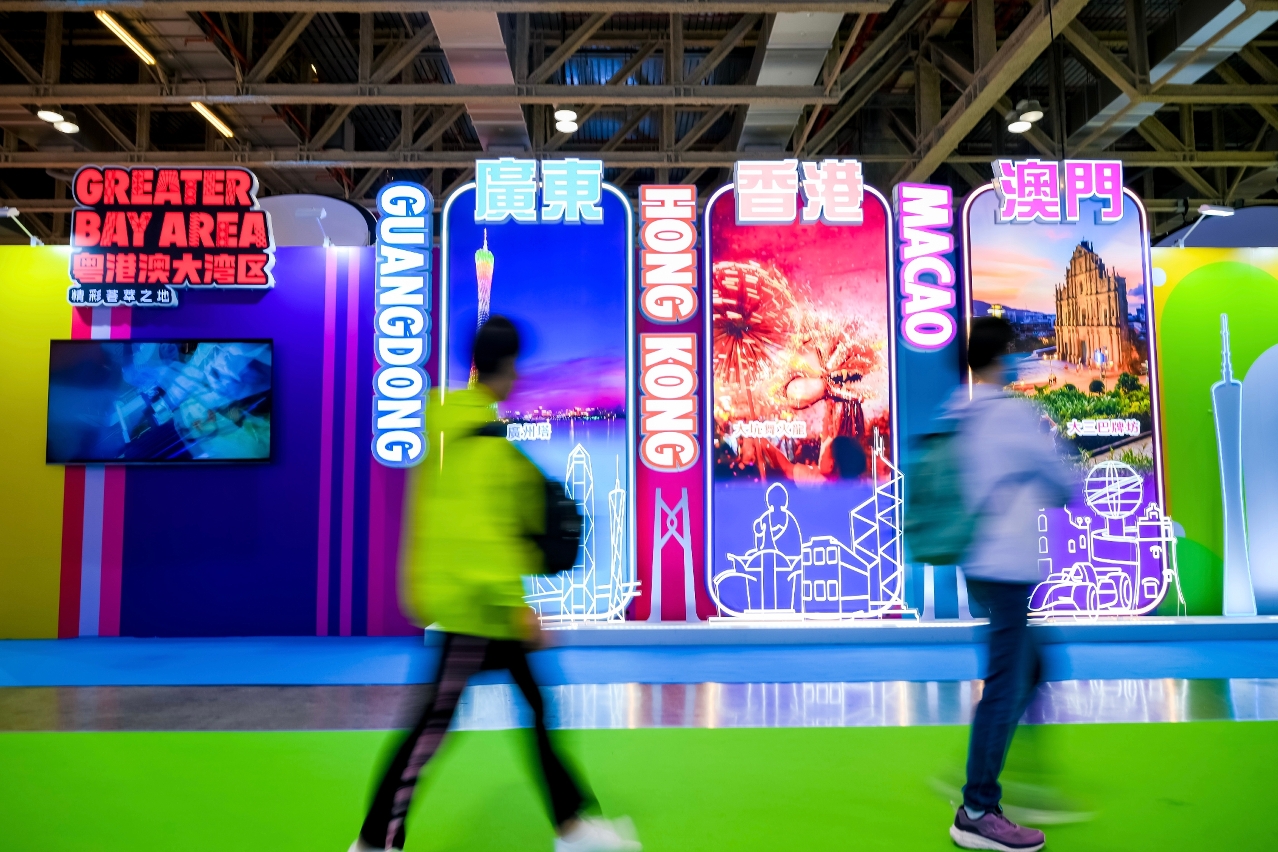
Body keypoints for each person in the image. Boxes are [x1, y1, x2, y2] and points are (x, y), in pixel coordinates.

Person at [351, 316, 640, 852]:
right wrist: (515, 606)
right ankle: (375, 841)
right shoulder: (477, 439)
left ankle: (573, 826)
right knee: (431, 729)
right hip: (475, 612)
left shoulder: (457, 430)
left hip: (477, 605)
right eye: (517, 366)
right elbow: (479, 536)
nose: (520, 377)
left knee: (534, 709)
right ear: (505, 369)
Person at [947, 317, 1073, 852]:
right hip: (1006, 567)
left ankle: (1005, 771)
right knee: (1006, 682)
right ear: (1002, 357)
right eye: (1016, 351)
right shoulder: (1012, 417)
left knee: (1030, 667)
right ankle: (977, 807)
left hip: (980, 563)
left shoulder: (959, 412)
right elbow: (1064, 484)